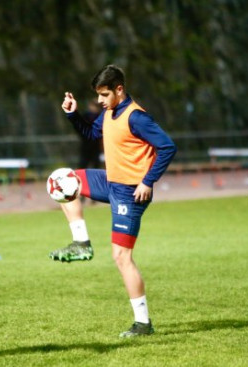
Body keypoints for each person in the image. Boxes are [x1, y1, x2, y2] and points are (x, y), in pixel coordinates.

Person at [48, 65, 177, 337]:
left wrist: (147, 181)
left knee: (121, 257)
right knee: (63, 179)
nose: (99, 100)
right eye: (98, 95)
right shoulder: (108, 112)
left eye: (104, 94)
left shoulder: (136, 117)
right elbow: (91, 135)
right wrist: (72, 114)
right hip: (110, 181)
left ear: (120, 89)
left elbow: (168, 146)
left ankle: (143, 323)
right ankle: (81, 243)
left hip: (130, 192)